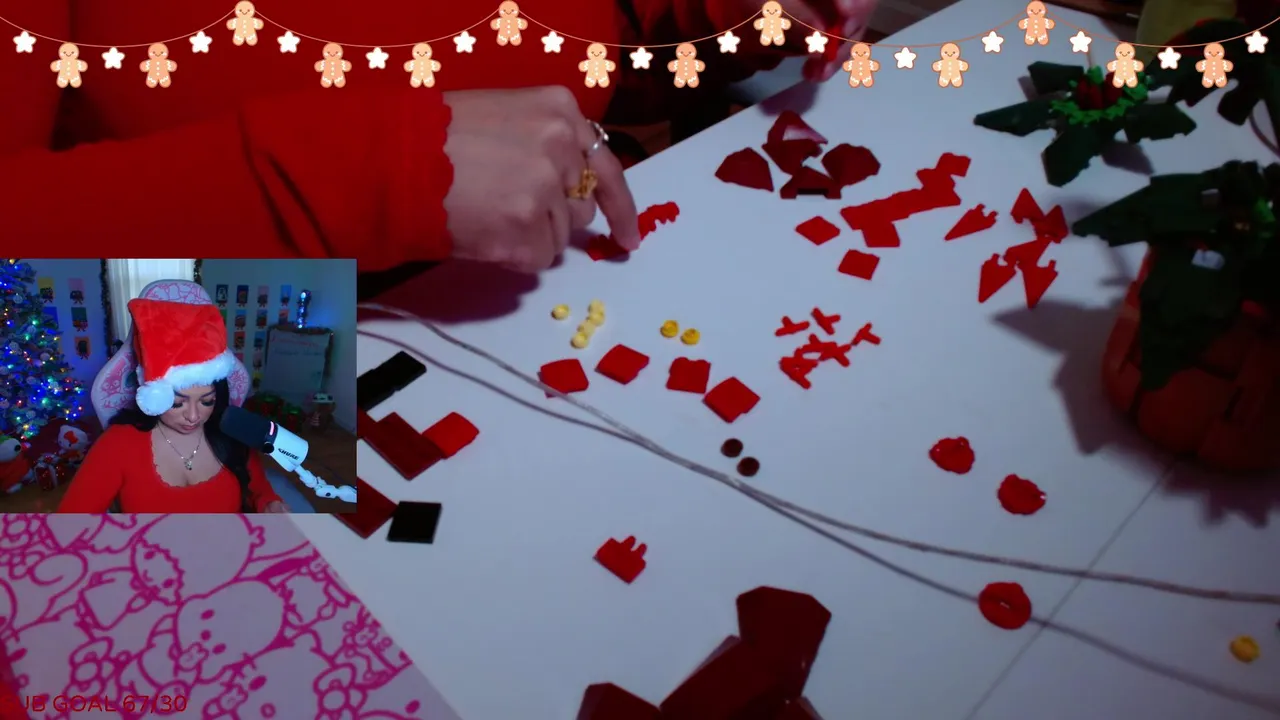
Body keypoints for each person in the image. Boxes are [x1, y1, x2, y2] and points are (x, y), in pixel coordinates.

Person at [0, 0, 875, 276]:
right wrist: (369, 175)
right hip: (239, 347)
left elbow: (604, 35)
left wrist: (731, 15)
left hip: (568, 278)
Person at [57, 297, 286, 513]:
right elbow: (71, 521)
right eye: (177, 404)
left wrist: (269, 504)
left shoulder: (232, 431)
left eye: (207, 401)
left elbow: (260, 491)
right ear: (154, 396)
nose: (194, 416)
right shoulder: (118, 444)